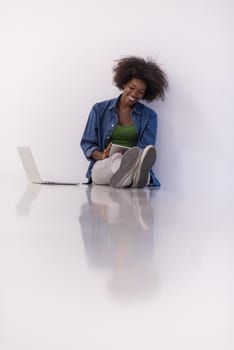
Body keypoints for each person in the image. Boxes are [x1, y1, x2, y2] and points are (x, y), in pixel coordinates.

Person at [80, 56, 168, 188]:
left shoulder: (150, 117)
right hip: (105, 164)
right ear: (123, 84)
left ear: (145, 94)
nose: (134, 94)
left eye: (140, 92)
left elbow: (146, 150)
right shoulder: (99, 110)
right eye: (131, 87)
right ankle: (134, 177)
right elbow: (87, 144)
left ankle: (131, 175)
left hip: (135, 162)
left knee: (135, 161)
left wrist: (133, 158)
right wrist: (103, 155)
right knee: (115, 161)